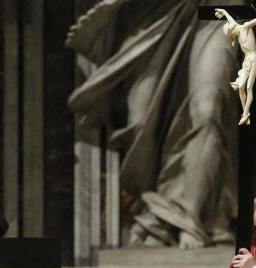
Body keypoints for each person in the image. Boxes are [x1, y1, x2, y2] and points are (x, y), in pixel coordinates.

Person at [67, 0, 238, 249]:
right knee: (139, 125)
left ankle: (189, 217)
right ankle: (160, 210)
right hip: (151, 12)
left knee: (208, 110)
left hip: (220, 11)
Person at [214, 3, 256, 125]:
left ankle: (246, 114)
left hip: (253, 61)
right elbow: (231, 20)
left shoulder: (245, 27)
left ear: (232, 30)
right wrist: (224, 12)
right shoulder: (237, 30)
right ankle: (245, 113)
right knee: (241, 87)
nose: (232, 38)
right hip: (246, 62)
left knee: (248, 87)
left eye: (231, 35)